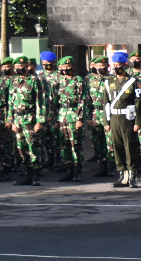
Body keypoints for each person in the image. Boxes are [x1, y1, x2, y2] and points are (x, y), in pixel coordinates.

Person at [104, 51, 141, 188]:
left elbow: (139, 103)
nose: (116, 67)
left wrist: (138, 122)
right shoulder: (108, 82)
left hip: (128, 119)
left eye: (119, 65)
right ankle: (122, 174)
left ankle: (132, 175)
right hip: (115, 118)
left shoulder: (134, 82)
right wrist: (107, 121)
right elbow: (106, 103)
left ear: (125, 65)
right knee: (117, 146)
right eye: (114, 64)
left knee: (130, 146)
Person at [8, 55, 47, 186]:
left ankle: (36, 176)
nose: (19, 69)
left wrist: (40, 121)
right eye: (17, 67)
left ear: (27, 67)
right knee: (21, 148)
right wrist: (11, 120)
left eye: (22, 67)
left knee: (33, 147)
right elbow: (11, 103)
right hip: (18, 120)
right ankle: (26, 175)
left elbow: (40, 102)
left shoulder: (34, 81)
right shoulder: (13, 81)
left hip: (30, 119)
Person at [54, 56, 91, 182]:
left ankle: (77, 171)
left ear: (73, 67)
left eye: (68, 67)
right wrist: (54, 119)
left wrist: (80, 119)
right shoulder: (59, 81)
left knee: (75, 144)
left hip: (74, 116)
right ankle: (69, 169)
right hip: (61, 116)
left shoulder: (78, 80)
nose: (65, 69)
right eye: (63, 67)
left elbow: (82, 100)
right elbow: (54, 101)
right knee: (64, 145)